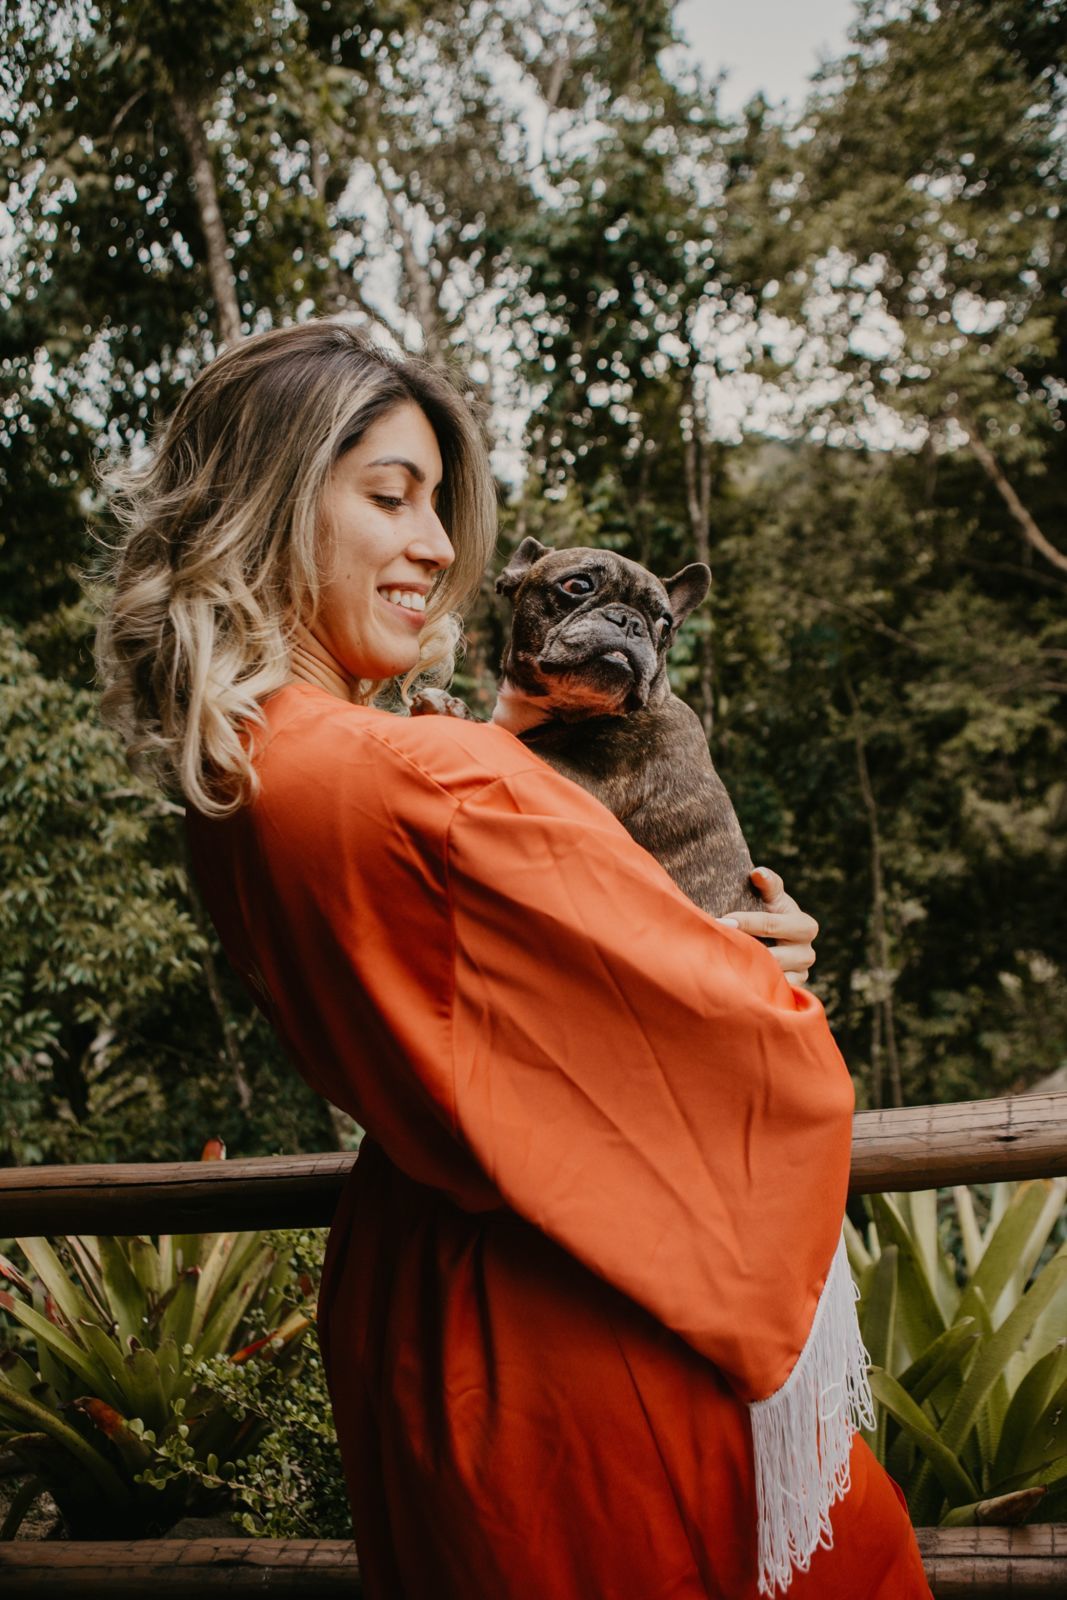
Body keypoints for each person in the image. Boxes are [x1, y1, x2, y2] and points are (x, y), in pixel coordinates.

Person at [98, 319, 932, 1600]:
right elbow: (742, 1049)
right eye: (391, 496)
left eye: (438, 505)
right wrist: (748, 979)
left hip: (420, 1312)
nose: (438, 546)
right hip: (575, 1330)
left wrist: (691, 947)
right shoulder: (426, 774)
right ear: (266, 510)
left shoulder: (242, 779)